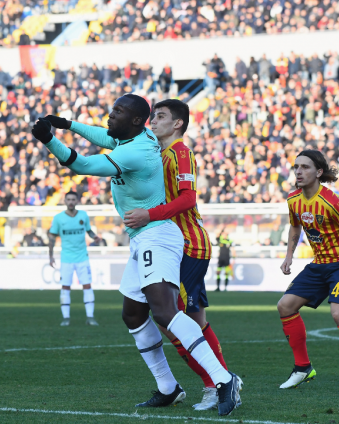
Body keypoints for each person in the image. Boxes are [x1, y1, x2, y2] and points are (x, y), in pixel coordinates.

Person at [34, 94, 241, 415]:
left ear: (134, 120)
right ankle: (169, 387)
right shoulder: (139, 138)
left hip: (161, 235)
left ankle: (222, 379)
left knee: (169, 313)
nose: (109, 115)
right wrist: (67, 124)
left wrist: (49, 139)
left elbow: (82, 165)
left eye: (116, 111)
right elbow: (104, 135)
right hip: (143, 237)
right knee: (133, 314)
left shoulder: (144, 150)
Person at [122, 99, 230, 411]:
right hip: (166, 245)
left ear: (178, 123)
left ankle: (216, 384)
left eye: (160, 116)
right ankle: (211, 383)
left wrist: (149, 215)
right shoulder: (158, 154)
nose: (152, 122)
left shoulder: (181, 153)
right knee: (186, 320)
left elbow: (188, 199)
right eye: (152, 117)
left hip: (188, 245)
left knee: (173, 319)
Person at [278, 150, 339, 393]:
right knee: (285, 306)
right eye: (296, 167)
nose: (298, 171)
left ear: (319, 172)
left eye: (305, 167)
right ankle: (302, 368)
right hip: (319, 264)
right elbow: (295, 227)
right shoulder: (293, 199)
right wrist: (289, 255)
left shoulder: (332, 201)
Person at [49, 191, 99, 326]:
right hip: (66, 258)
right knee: (65, 287)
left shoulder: (83, 215)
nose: (71, 202)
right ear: (65, 201)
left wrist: (94, 236)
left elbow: (89, 230)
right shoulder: (58, 218)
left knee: (87, 285)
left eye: (73, 199)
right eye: (68, 199)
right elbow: (52, 237)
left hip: (82, 257)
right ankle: (66, 318)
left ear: (77, 201)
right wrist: (51, 256)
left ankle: (90, 317)